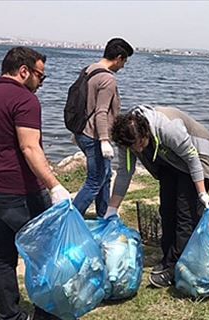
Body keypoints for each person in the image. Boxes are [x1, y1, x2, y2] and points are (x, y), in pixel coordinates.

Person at [0, 47, 80, 320]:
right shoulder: (25, 100)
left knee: (4, 254)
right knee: (46, 253)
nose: (42, 82)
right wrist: (54, 186)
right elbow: (30, 147)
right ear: (24, 71)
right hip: (18, 192)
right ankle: (46, 316)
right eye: (40, 75)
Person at [106, 105, 209, 288]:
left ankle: (176, 268)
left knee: (186, 215)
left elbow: (192, 157)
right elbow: (124, 172)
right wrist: (112, 207)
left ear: (145, 132)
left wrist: (202, 193)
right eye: (132, 146)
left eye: (138, 144)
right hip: (170, 162)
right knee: (167, 210)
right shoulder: (126, 137)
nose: (136, 149)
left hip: (198, 156)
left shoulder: (167, 128)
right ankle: (169, 256)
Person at [73, 38, 134, 218]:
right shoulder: (107, 79)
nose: (123, 66)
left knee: (105, 176)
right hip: (94, 136)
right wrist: (104, 140)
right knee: (95, 181)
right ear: (118, 58)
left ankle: (104, 216)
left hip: (83, 132)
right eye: (124, 61)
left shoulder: (89, 70)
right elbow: (101, 112)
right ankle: (69, 221)